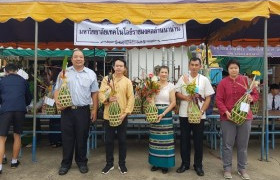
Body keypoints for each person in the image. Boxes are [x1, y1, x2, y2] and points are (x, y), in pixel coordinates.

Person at [54, 49, 99, 175]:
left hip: (83, 111)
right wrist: (58, 103)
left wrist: (94, 109)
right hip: (67, 111)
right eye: (76, 57)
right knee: (67, 138)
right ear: (72, 59)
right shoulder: (64, 72)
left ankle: (82, 162)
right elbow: (56, 90)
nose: (78, 59)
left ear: (84, 59)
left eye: (81, 57)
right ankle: (65, 163)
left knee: (82, 137)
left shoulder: (91, 74)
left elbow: (95, 93)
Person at [216, 60, 259, 180]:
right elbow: (219, 100)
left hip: (245, 117)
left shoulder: (246, 81)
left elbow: (256, 95)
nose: (234, 70)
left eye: (236, 68)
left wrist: (252, 98)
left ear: (239, 69)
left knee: (243, 145)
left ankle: (242, 168)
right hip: (228, 118)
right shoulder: (223, 83)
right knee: (227, 144)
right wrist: (226, 112)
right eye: (231, 68)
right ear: (228, 70)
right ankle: (227, 168)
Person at [175, 57, 214, 176]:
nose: (194, 67)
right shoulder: (183, 78)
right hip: (184, 113)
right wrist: (186, 97)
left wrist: (202, 111)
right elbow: (176, 92)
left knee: (198, 141)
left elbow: (208, 97)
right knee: (184, 139)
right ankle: (184, 164)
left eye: (197, 65)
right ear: (188, 65)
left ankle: (198, 165)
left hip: (199, 115)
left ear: (200, 66)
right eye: (192, 64)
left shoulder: (204, 80)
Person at [99, 59, 134, 175]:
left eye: (121, 66)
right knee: (108, 140)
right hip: (108, 115)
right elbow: (101, 93)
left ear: (124, 68)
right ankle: (109, 164)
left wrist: (126, 113)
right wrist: (107, 99)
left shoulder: (127, 81)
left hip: (122, 116)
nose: (119, 68)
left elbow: (131, 98)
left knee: (122, 140)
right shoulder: (106, 79)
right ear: (113, 67)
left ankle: (122, 163)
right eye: (117, 66)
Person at [0, 63, 32, 174]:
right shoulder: (23, 81)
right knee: (17, 135)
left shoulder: (2, 81)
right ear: (17, 70)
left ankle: (0, 166)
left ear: (6, 71)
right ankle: (14, 161)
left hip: (6, 109)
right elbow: (29, 98)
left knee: (2, 137)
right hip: (20, 109)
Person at [148, 66, 176, 174]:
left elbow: (173, 102)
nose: (164, 74)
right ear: (158, 74)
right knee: (155, 139)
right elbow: (152, 99)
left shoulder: (171, 86)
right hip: (154, 113)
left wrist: (163, 114)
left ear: (168, 74)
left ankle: (165, 164)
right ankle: (155, 163)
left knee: (165, 141)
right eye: (162, 72)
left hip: (166, 114)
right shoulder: (154, 85)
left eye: (166, 72)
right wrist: (149, 100)